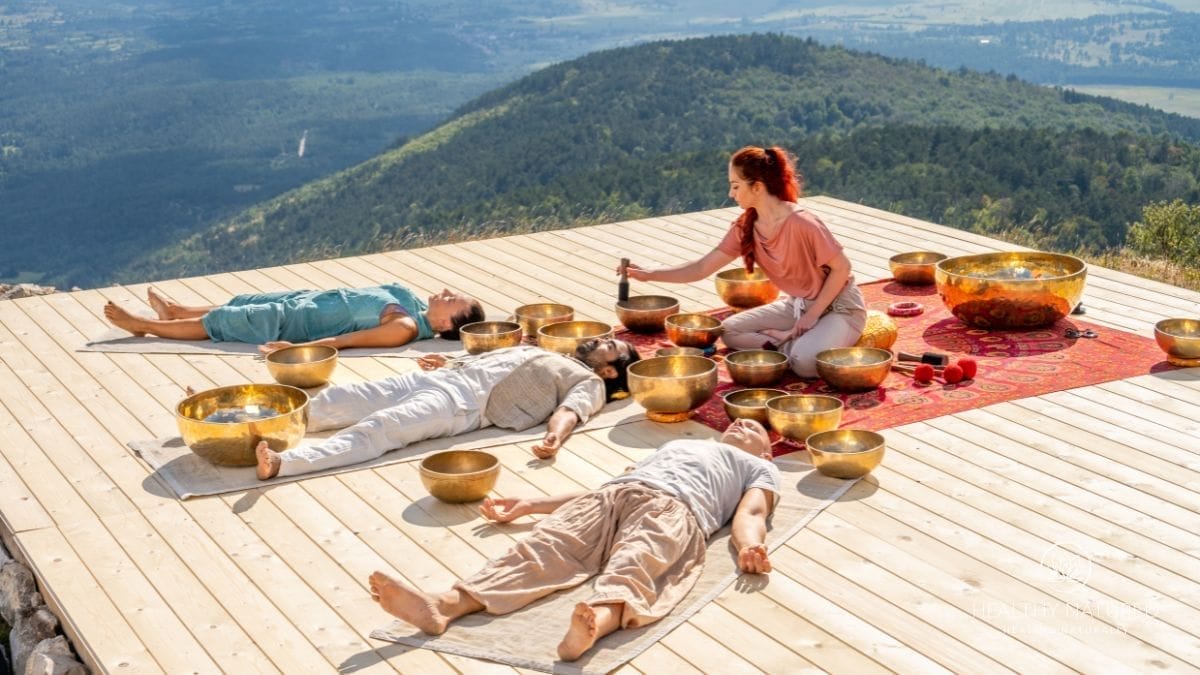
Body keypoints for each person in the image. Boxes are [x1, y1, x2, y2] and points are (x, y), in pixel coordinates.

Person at [367, 417, 780, 662]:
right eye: (738, 419)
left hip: (675, 509)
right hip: (614, 495)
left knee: (637, 562)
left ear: (765, 452)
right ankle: (443, 605)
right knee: (545, 548)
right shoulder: (679, 443)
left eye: (757, 427)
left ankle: (592, 626)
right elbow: (607, 484)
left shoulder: (757, 467)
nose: (742, 422)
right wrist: (532, 504)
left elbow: (752, 512)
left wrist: (748, 546)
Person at [623, 146, 867, 377]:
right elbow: (700, 268)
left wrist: (812, 317)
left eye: (736, 186)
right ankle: (789, 345)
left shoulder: (802, 223)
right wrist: (648, 274)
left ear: (757, 187)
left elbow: (842, 268)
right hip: (798, 306)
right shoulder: (745, 227)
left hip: (839, 307)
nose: (731, 194)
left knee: (805, 364)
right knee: (729, 331)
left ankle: (795, 346)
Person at [255, 337, 642, 477]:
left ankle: (283, 463)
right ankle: (251, 426)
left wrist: (554, 438)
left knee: (381, 428)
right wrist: (450, 362)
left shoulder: (588, 381)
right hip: (437, 380)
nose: (600, 339)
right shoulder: (546, 351)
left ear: (610, 370)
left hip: (461, 404)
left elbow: (572, 410)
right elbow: (492, 362)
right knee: (336, 401)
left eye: (610, 347)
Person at [102, 285, 485, 350]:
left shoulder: (403, 328)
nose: (446, 293)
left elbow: (344, 342)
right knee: (242, 302)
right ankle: (176, 312)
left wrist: (294, 350)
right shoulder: (415, 306)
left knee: (226, 322)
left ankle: (146, 326)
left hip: (296, 323)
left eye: (452, 301)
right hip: (304, 300)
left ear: (446, 325)